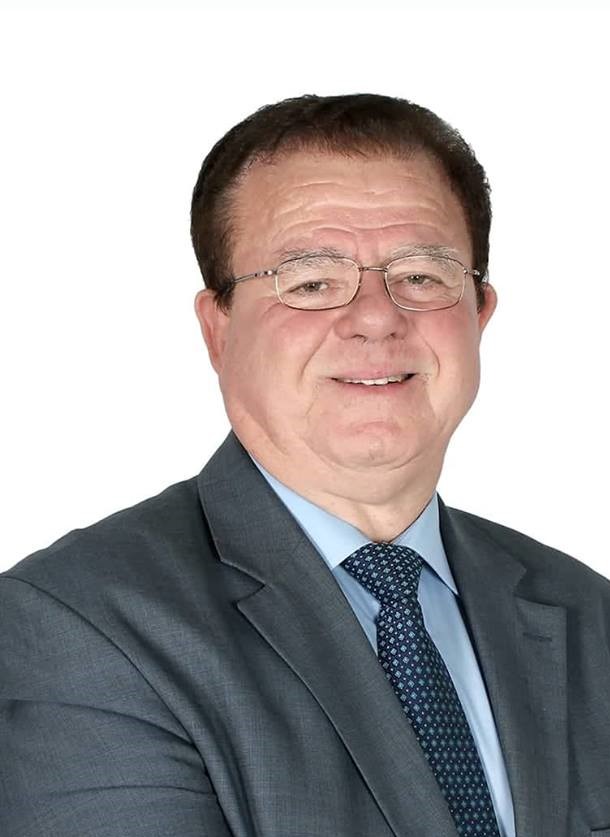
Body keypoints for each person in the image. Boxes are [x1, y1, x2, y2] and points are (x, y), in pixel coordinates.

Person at [1, 93, 609, 837]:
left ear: (478, 313)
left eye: (422, 275)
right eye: (311, 282)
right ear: (218, 329)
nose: (376, 316)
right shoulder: (78, 627)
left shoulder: (590, 614)